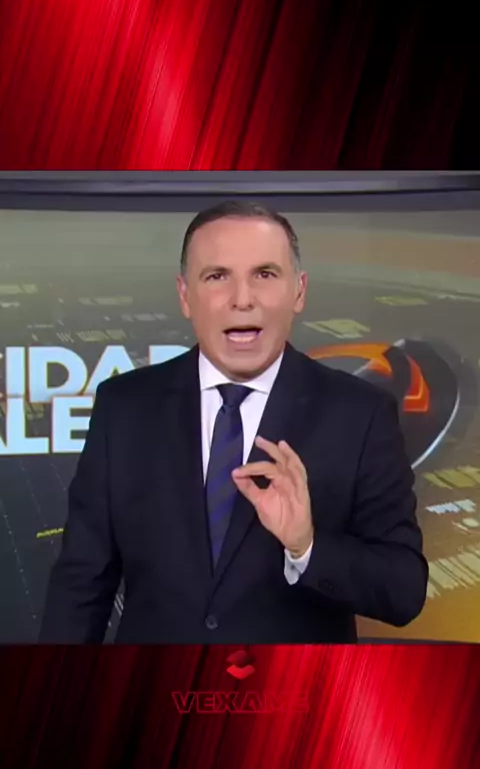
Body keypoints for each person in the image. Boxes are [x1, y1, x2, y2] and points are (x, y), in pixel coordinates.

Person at [39, 200, 428, 644]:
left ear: (299, 291)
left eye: (265, 274)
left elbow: (403, 591)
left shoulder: (360, 414)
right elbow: (80, 586)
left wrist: (306, 545)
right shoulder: (124, 407)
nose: (242, 299)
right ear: (185, 295)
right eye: (217, 276)